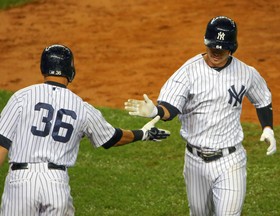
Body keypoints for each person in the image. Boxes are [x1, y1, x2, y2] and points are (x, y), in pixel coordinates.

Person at [124, 16, 276, 216]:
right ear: (206, 43)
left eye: (222, 49)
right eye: (213, 47)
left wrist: (267, 128)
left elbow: (263, 99)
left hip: (230, 160)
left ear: (232, 48)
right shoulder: (188, 72)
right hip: (195, 162)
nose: (216, 52)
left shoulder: (246, 73)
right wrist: (156, 111)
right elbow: (170, 107)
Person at [0, 44, 170, 216]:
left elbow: (2, 143)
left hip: (20, 182)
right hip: (56, 184)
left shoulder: (20, 98)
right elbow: (112, 138)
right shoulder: (81, 107)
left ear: (44, 67)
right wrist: (142, 133)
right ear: (70, 70)